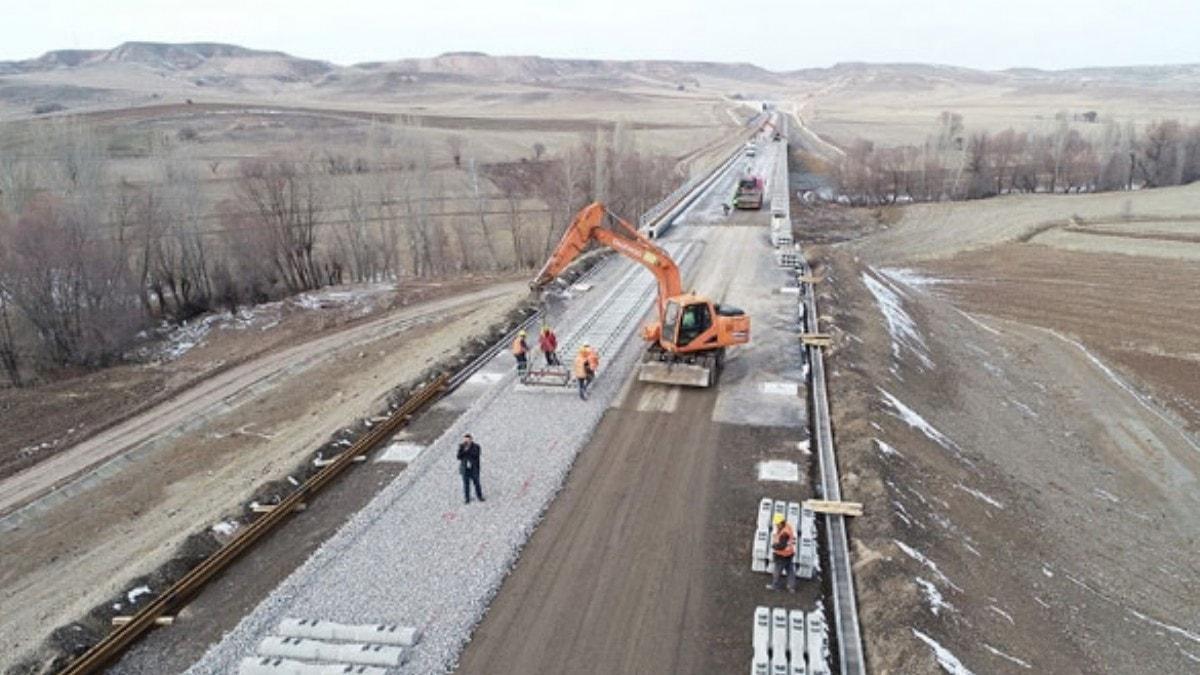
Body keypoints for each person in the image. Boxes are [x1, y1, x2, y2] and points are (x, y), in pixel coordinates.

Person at [768, 513, 796, 592]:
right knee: (790, 570)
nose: (776, 525)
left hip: (782, 555)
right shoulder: (787, 527)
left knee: (777, 571)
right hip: (789, 553)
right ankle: (791, 587)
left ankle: (775, 586)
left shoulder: (784, 533)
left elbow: (781, 546)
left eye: (777, 524)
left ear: (781, 523)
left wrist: (774, 546)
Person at [456, 433, 484, 504]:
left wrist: (467, 450)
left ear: (471, 440)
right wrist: (464, 450)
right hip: (465, 469)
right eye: (465, 440)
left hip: (474, 468)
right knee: (466, 484)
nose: (466, 442)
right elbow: (458, 457)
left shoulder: (476, 446)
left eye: (468, 440)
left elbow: (476, 455)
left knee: (477, 483)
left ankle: (479, 496)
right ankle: (467, 498)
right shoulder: (461, 447)